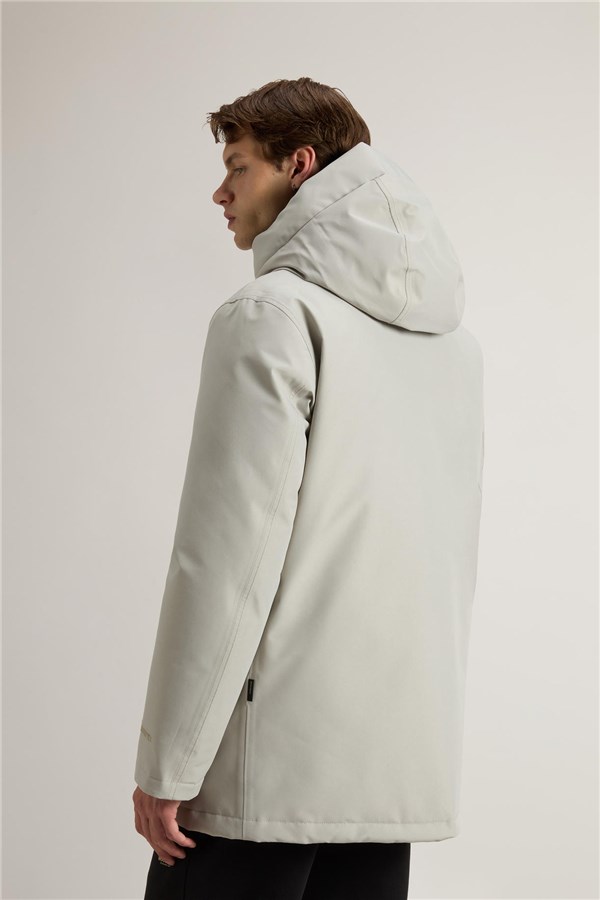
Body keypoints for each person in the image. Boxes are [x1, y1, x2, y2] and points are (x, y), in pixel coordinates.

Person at [132, 76, 484, 900]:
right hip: (390, 772)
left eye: (238, 168)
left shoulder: (270, 315)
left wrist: (169, 763)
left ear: (300, 165)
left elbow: (227, 561)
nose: (220, 193)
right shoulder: (453, 347)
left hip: (263, 775)